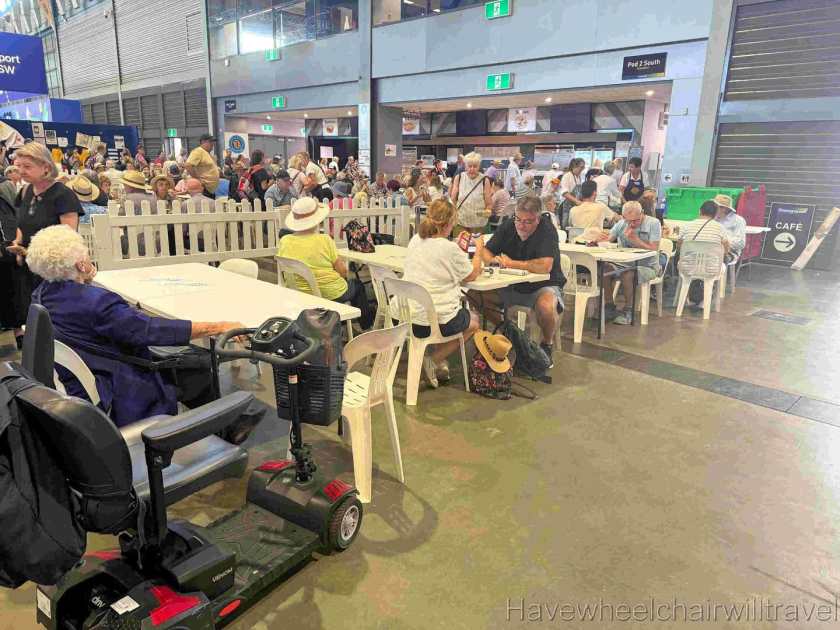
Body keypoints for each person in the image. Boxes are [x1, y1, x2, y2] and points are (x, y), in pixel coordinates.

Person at [25, 224, 250, 430]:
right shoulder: (97, 302)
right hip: (119, 383)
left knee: (188, 361)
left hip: (80, 375)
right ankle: (228, 427)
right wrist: (219, 326)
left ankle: (223, 425)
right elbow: (150, 330)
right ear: (80, 263)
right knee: (197, 365)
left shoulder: (41, 294)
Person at [4, 141, 83, 349]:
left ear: (46, 167)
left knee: (55, 317)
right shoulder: (24, 192)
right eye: (19, 166)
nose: (21, 171)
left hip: (52, 269)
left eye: (27, 167)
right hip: (28, 264)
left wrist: (38, 254)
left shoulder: (63, 194)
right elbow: (21, 224)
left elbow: (67, 238)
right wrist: (17, 243)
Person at [399, 198, 482, 381]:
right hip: (433, 322)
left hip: (407, 318)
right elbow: (472, 274)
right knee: (474, 321)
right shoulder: (449, 248)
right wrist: (478, 252)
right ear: (451, 223)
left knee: (443, 308)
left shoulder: (415, 240)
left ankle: (439, 363)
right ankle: (433, 360)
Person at [479, 196, 564, 364]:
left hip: (542, 285)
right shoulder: (509, 225)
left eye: (528, 222)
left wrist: (511, 264)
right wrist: (493, 260)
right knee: (476, 296)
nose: (521, 225)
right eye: (518, 219)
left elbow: (545, 266)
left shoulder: (547, 230)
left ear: (538, 219)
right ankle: (512, 334)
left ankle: (546, 344)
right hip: (510, 285)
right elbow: (486, 251)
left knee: (546, 308)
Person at [277, 198, 370, 325]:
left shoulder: (285, 241)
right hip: (329, 293)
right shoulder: (325, 240)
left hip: (298, 293)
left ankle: (338, 321)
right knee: (357, 285)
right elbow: (342, 271)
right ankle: (364, 324)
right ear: (317, 220)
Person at [597, 201, 661, 325]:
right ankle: (609, 306)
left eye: (635, 221)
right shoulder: (622, 224)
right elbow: (608, 239)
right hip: (623, 263)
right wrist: (599, 238)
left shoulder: (654, 223)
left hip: (647, 266)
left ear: (642, 214)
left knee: (628, 274)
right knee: (605, 269)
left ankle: (628, 310)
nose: (631, 224)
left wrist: (636, 240)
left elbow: (654, 248)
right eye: (628, 221)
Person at [449, 152, 492, 235]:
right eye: (469, 166)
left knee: (477, 246)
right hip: (460, 222)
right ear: (465, 166)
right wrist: (453, 215)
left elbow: (489, 204)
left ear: (479, 167)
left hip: (479, 224)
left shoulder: (485, 180)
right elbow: (453, 200)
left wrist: (487, 211)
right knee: (460, 246)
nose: (472, 169)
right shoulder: (459, 178)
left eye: (475, 166)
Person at [185, 133, 220, 198]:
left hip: (210, 190)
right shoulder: (198, 151)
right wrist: (198, 179)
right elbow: (188, 165)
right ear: (203, 142)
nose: (213, 144)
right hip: (204, 189)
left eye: (213, 142)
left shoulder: (207, 153)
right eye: (210, 142)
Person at [714, 194, 746, 260]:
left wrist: (721, 242)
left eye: (714, 207)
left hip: (731, 252)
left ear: (724, 208)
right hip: (711, 249)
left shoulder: (738, 220)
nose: (712, 209)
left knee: (712, 258)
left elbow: (740, 243)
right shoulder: (713, 218)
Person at [559, 158, 585, 226]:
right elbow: (564, 193)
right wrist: (576, 201)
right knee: (566, 225)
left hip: (575, 206)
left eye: (583, 167)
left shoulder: (579, 177)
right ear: (574, 166)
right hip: (566, 206)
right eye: (581, 167)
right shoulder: (567, 176)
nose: (582, 169)